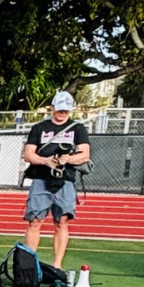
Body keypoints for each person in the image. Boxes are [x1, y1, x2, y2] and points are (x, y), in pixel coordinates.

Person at [23, 92, 91, 269]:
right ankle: (29, 265)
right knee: (34, 221)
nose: (62, 113)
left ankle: (57, 265)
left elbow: (85, 154)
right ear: (52, 107)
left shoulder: (78, 128)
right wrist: (45, 161)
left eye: (66, 111)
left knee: (61, 222)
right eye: (60, 110)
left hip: (65, 180)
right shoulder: (39, 128)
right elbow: (28, 154)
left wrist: (67, 159)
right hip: (41, 178)